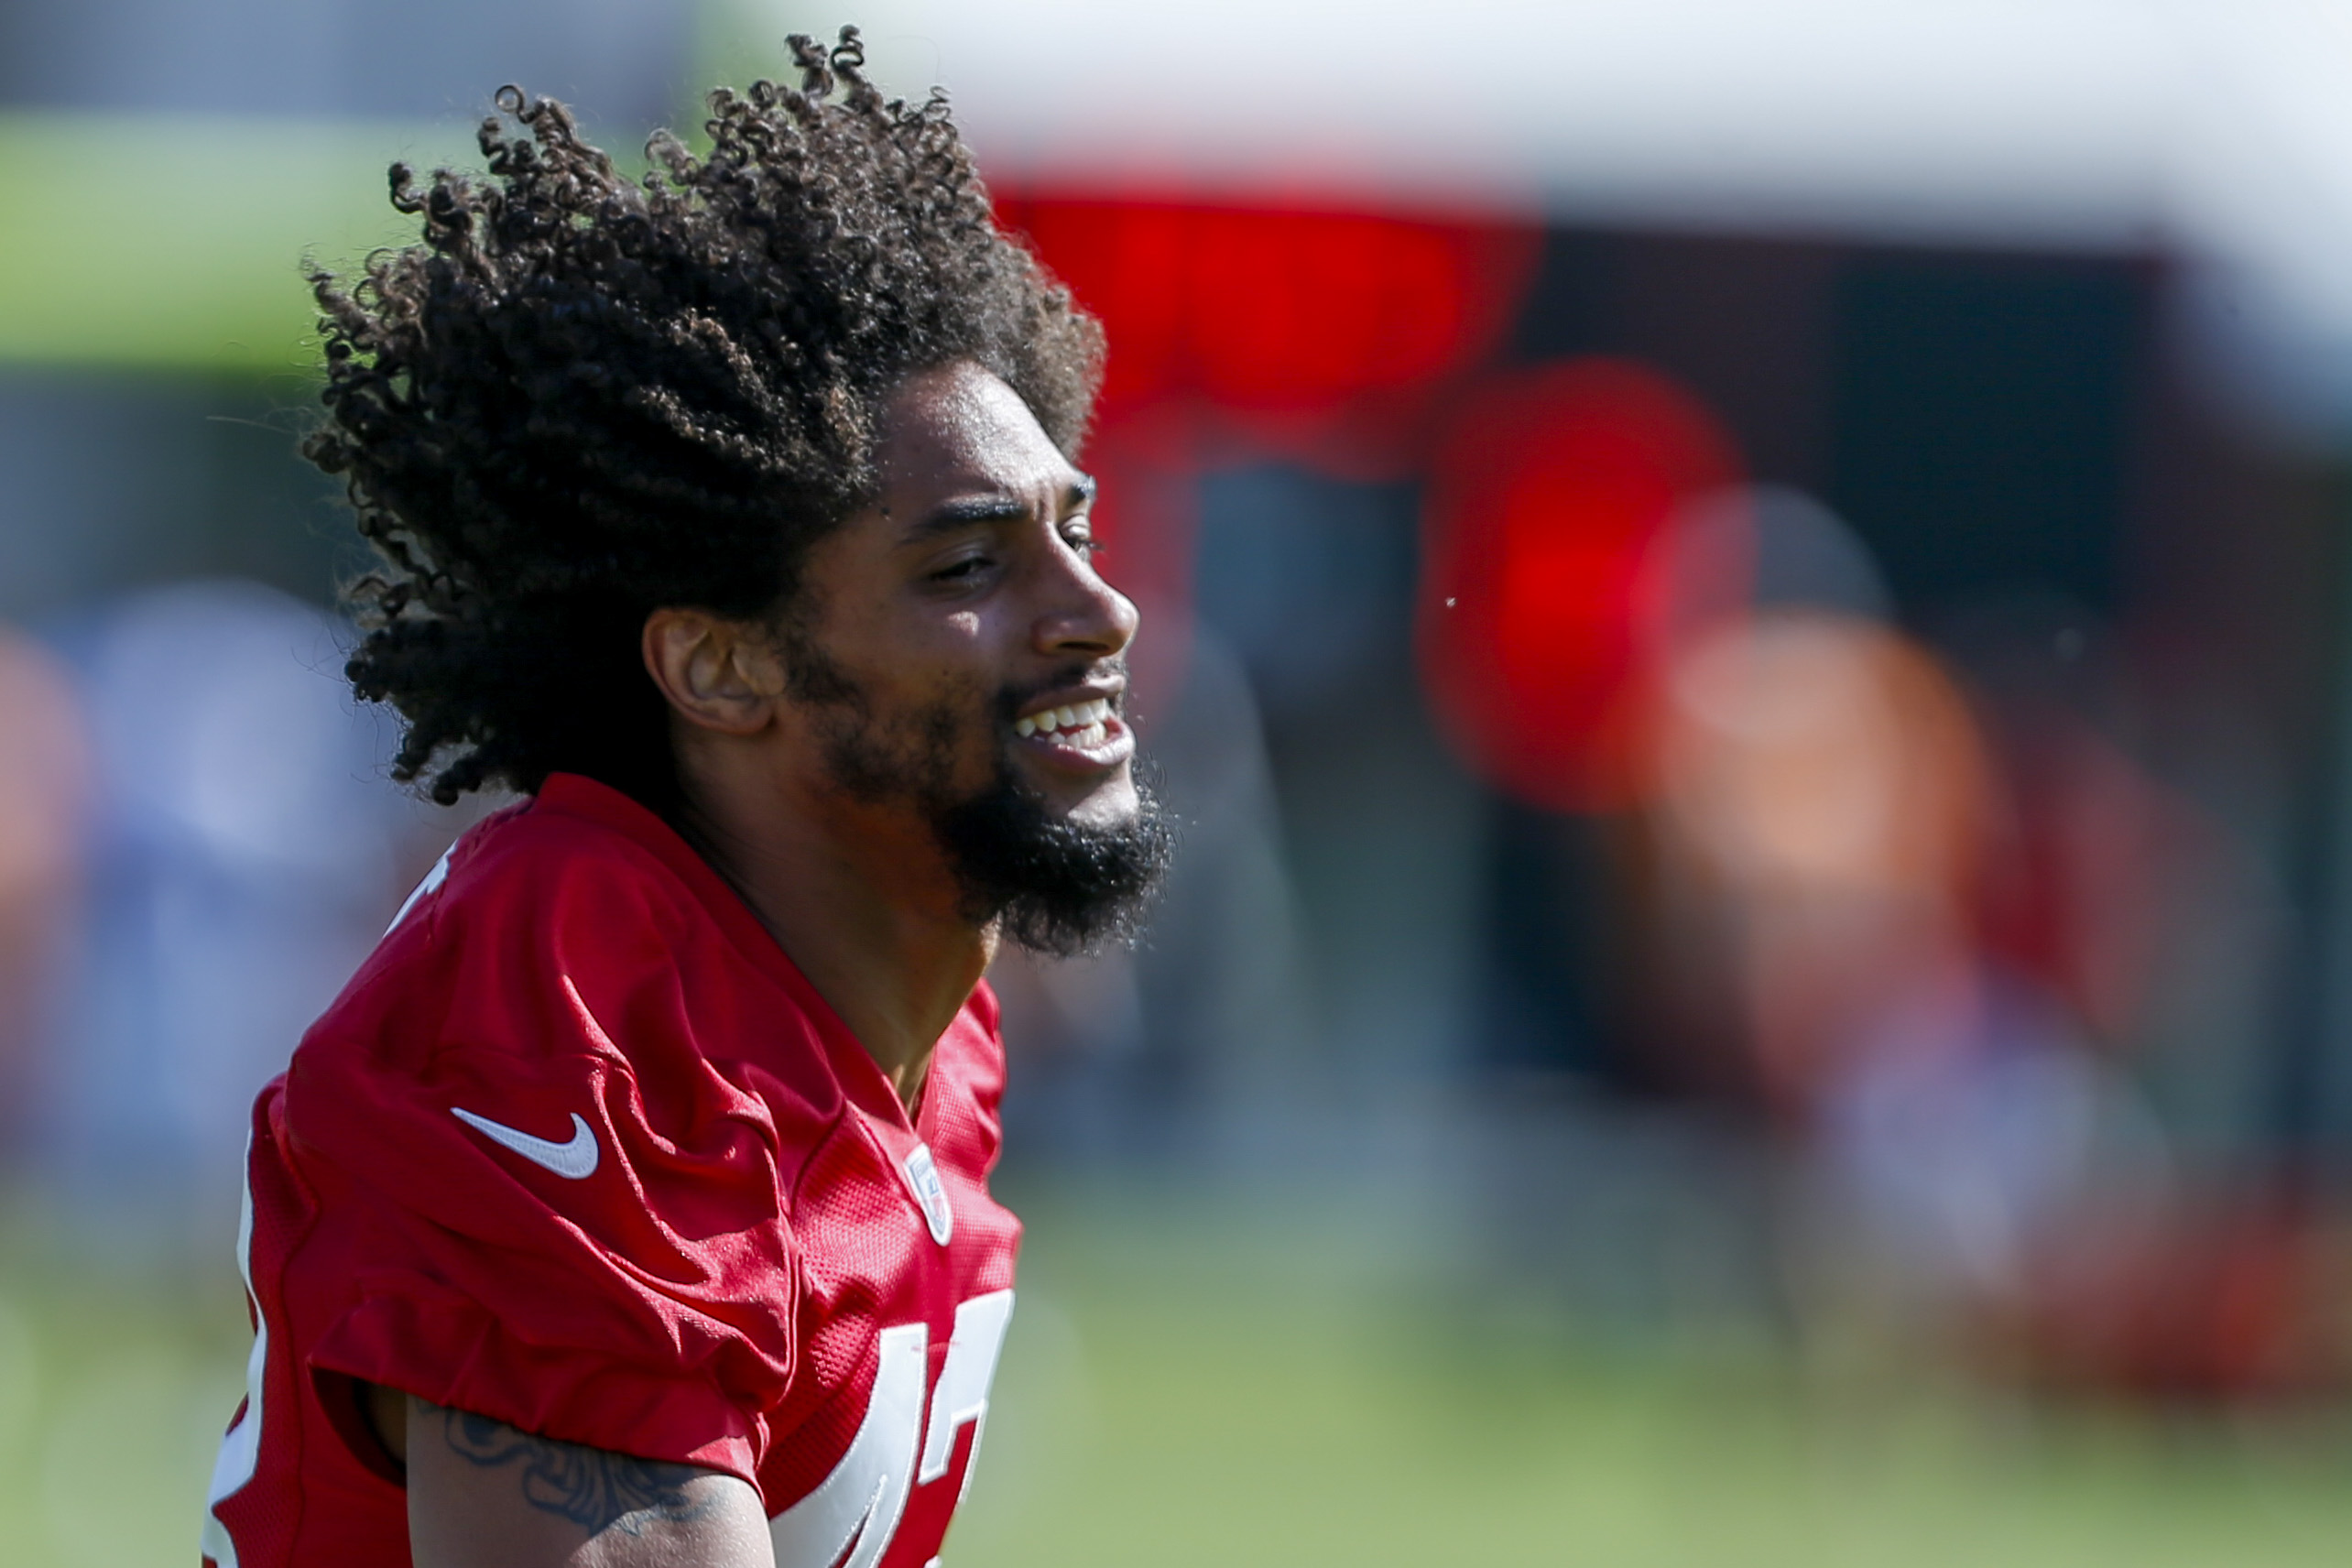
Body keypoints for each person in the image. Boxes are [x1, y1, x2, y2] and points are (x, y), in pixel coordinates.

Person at [200, 30, 1171, 1568]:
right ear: (722, 667)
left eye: (1080, 529)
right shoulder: (575, 1002)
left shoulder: (910, 1010)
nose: (1100, 610)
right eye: (970, 566)